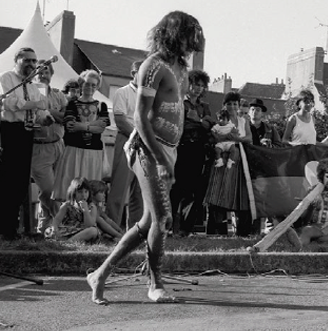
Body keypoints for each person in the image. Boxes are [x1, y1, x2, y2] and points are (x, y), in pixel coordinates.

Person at [87, 11, 204, 305]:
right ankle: (155, 284)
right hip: (147, 150)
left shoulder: (180, 68)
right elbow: (139, 117)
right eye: (192, 34)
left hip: (170, 151)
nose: (197, 40)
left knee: (149, 221)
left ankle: (99, 274)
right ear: (176, 34)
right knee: (163, 218)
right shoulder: (153, 66)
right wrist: (161, 159)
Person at [0, 47, 52, 240]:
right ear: (17, 60)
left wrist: (44, 118)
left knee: (21, 182)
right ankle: (6, 228)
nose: (31, 64)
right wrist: (34, 105)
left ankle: (12, 227)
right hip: (8, 131)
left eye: (34, 60)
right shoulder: (6, 78)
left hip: (26, 133)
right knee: (7, 180)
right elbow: (8, 102)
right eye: (27, 60)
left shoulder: (32, 86)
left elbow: (38, 110)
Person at [52, 69, 110, 202]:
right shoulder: (72, 104)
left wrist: (83, 126)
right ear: (81, 84)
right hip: (73, 151)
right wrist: (92, 125)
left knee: (91, 191)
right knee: (70, 189)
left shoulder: (102, 105)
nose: (90, 87)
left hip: (93, 154)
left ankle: (88, 220)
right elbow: (71, 127)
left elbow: (101, 128)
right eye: (87, 84)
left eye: (93, 85)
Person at [170, 69, 213, 237]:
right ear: (188, 84)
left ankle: (185, 229)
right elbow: (180, 125)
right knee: (177, 189)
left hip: (199, 150)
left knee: (194, 191)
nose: (198, 88)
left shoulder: (206, 106)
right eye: (195, 84)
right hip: (182, 148)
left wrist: (197, 120)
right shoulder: (179, 102)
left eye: (202, 86)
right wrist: (201, 124)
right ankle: (171, 227)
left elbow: (210, 127)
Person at [204, 91, 252, 236]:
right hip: (222, 156)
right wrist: (226, 137)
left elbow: (249, 137)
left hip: (239, 156)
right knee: (219, 191)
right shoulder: (220, 121)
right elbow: (214, 137)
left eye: (235, 104)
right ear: (224, 105)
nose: (232, 106)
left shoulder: (244, 121)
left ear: (238, 105)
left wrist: (237, 139)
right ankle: (217, 230)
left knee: (239, 192)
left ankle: (242, 231)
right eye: (229, 104)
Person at [31, 59, 69, 234]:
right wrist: (56, 114)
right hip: (39, 148)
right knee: (48, 189)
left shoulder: (59, 95)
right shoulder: (29, 95)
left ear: (51, 75)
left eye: (46, 71)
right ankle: (63, 225)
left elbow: (68, 118)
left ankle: (44, 227)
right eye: (39, 72)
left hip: (59, 146)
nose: (42, 75)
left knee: (58, 189)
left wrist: (51, 112)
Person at [106, 61, 144, 230]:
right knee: (119, 189)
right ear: (133, 73)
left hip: (145, 146)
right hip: (127, 141)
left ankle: (136, 232)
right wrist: (139, 137)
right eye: (141, 72)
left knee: (140, 192)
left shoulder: (150, 96)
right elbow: (120, 121)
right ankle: (111, 229)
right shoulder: (122, 92)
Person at [46, 177, 100, 243]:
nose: (83, 195)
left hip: (83, 232)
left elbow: (89, 225)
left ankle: (68, 242)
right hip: (69, 230)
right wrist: (55, 228)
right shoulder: (67, 205)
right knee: (48, 230)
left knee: (93, 231)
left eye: (86, 192)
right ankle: (69, 240)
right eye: (80, 192)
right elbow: (57, 219)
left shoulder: (92, 207)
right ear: (74, 193)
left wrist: (85, 210)